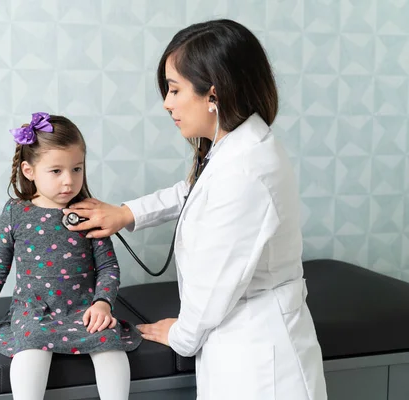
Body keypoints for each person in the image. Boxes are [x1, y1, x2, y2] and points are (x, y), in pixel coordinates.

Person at [65, 19, 328, 399]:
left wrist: (181, 334)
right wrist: (127, 213)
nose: (167, 103)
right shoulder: (238, 145)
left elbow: (216, 283)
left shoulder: (246, 170)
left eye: (174, 90)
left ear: (213, 94)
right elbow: (193, 192)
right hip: (240, 342)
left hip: (259, 361)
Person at [0, 112, 142, 400]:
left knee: (110, 344)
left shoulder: (89, 212)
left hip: (82, 308)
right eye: (56, 171)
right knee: (30, 348)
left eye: (77, 169)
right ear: (30, 171)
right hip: (34, 309)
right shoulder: (15, 211)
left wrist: (103, 303)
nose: (69, 181)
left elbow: (108, 267)